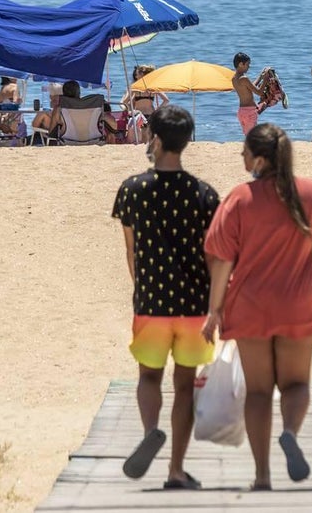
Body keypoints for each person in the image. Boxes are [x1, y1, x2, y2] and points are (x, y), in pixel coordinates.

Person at [202, 124, 312, 491]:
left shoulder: (239, 199)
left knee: (259, 392)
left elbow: (220, 261)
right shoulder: (311, 194)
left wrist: (214, 311)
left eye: (244, 152)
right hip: (298, 302)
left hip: (249, 306)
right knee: (296, 384)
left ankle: (262, 476)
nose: (241, 158)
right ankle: (290, 432)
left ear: (259, 159)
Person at [112, 105, 219, 490]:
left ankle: (150, 430)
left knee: (148, 377)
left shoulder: (132, 189)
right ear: (187, 142)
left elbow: (131, 250)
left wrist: (140, 289)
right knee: (185, 385)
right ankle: (176, 469)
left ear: (154, 139)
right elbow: (213, 255)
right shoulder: (204, 194)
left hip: (152, 300)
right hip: (193, 304)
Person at [122, 65, 169, 145]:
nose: (136, 76)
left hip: (140, 115)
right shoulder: (153, 87)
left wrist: (130, 111)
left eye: (137, 74)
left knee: (144, 139)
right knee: (149, 139)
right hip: (151, 114)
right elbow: (166, 100)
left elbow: (124, 102)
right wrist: (158, 110)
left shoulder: (135, 88)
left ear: (142, 75)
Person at [233, 52, 267, 135]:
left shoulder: (234, 78)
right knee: (252, 138)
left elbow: (251, 87)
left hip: (241, 112)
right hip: (249, 112)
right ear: (241, 64)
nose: (249, 66)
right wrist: (265, 79)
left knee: (249, 136)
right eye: (248, 64)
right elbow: (259, 92)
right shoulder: (244, 78)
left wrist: (261, 76)